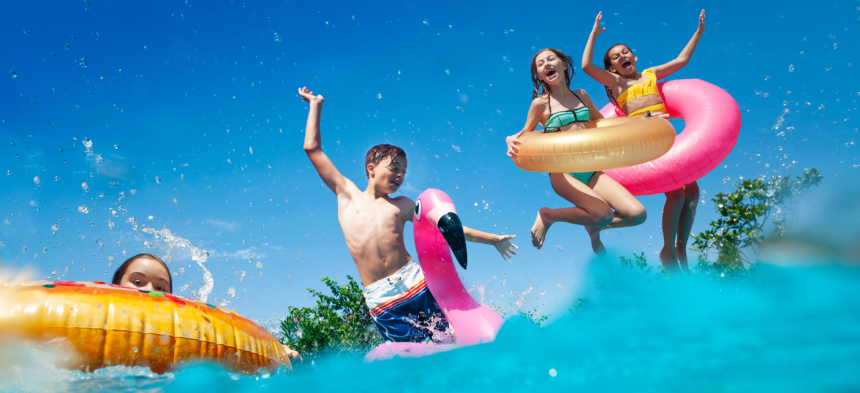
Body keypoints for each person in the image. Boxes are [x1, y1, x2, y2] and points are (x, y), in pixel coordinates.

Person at [298, 86, 518, 343]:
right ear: (371, 168)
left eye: (404, 170)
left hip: (417, 285)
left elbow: (446, 228)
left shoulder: (402, 205)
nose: (400, 175)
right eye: (394, 168)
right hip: (382, 299)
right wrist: (315, 104)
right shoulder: (346, 194)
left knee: (446, 345)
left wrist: (493, 239)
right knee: (412, 360)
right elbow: (312, 149)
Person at [581, 10, 705, 274]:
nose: (622, 57)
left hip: (666, 134)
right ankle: (667, 251)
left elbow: (682, 60)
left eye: (625, 52)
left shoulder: (650, 74)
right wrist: (593, 35)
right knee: (675, 192)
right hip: (645, 140)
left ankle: (680, 247)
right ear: (612, 68)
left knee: (692, 191)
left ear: (634, 57)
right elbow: (586, 67)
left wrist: (698, 33)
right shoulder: (617, 83)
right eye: (616, 57)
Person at [505, 49, 647, 254]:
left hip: (591, 170)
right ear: (539, 75)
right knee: (604, 213)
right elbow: (525, 135)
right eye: (540, 64)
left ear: (564, 65)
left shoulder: (581, 95)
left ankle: (593, 226)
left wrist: (638, 122)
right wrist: (509, 138)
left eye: (551, 59)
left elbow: (600, 124)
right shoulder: (540, 104)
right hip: (563, 172)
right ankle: (548, 215)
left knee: (637, 215)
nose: (546, 64)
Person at [111, 254, 303, 361]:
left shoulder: (184, 334)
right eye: (137, 281)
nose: (149, 290)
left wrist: (278, 353)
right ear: (114, 285)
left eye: (161, 287)